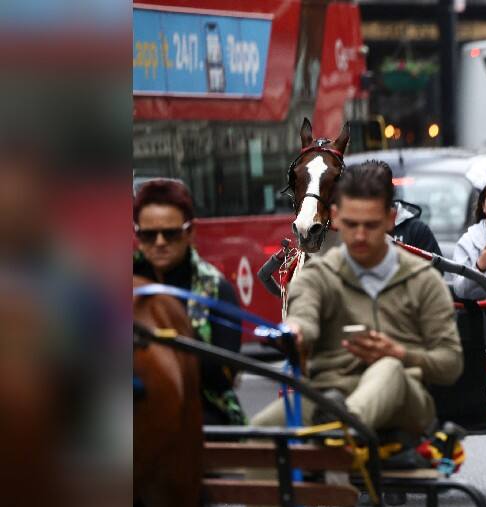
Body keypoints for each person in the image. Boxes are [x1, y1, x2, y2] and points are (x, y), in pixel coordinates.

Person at [250, 160, 463, 440]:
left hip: (405, 403)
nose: (360, 236)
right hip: (328, 395)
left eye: (371, 225)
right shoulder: (318, 275)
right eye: (351, 224)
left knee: (388, 368)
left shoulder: (423, 280)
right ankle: (333, 429)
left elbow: (450, 362)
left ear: (390, 219)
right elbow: (304, 315)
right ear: (336, 217)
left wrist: (399, 353)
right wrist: (295, 332)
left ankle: (342, 433)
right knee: (256, 435)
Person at [133, 179, 245, 425]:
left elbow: (224, 375)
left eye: (170, 234)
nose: (160, 242)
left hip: (201, 407)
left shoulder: (216, 289)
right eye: (148, 235)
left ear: (190, 232)